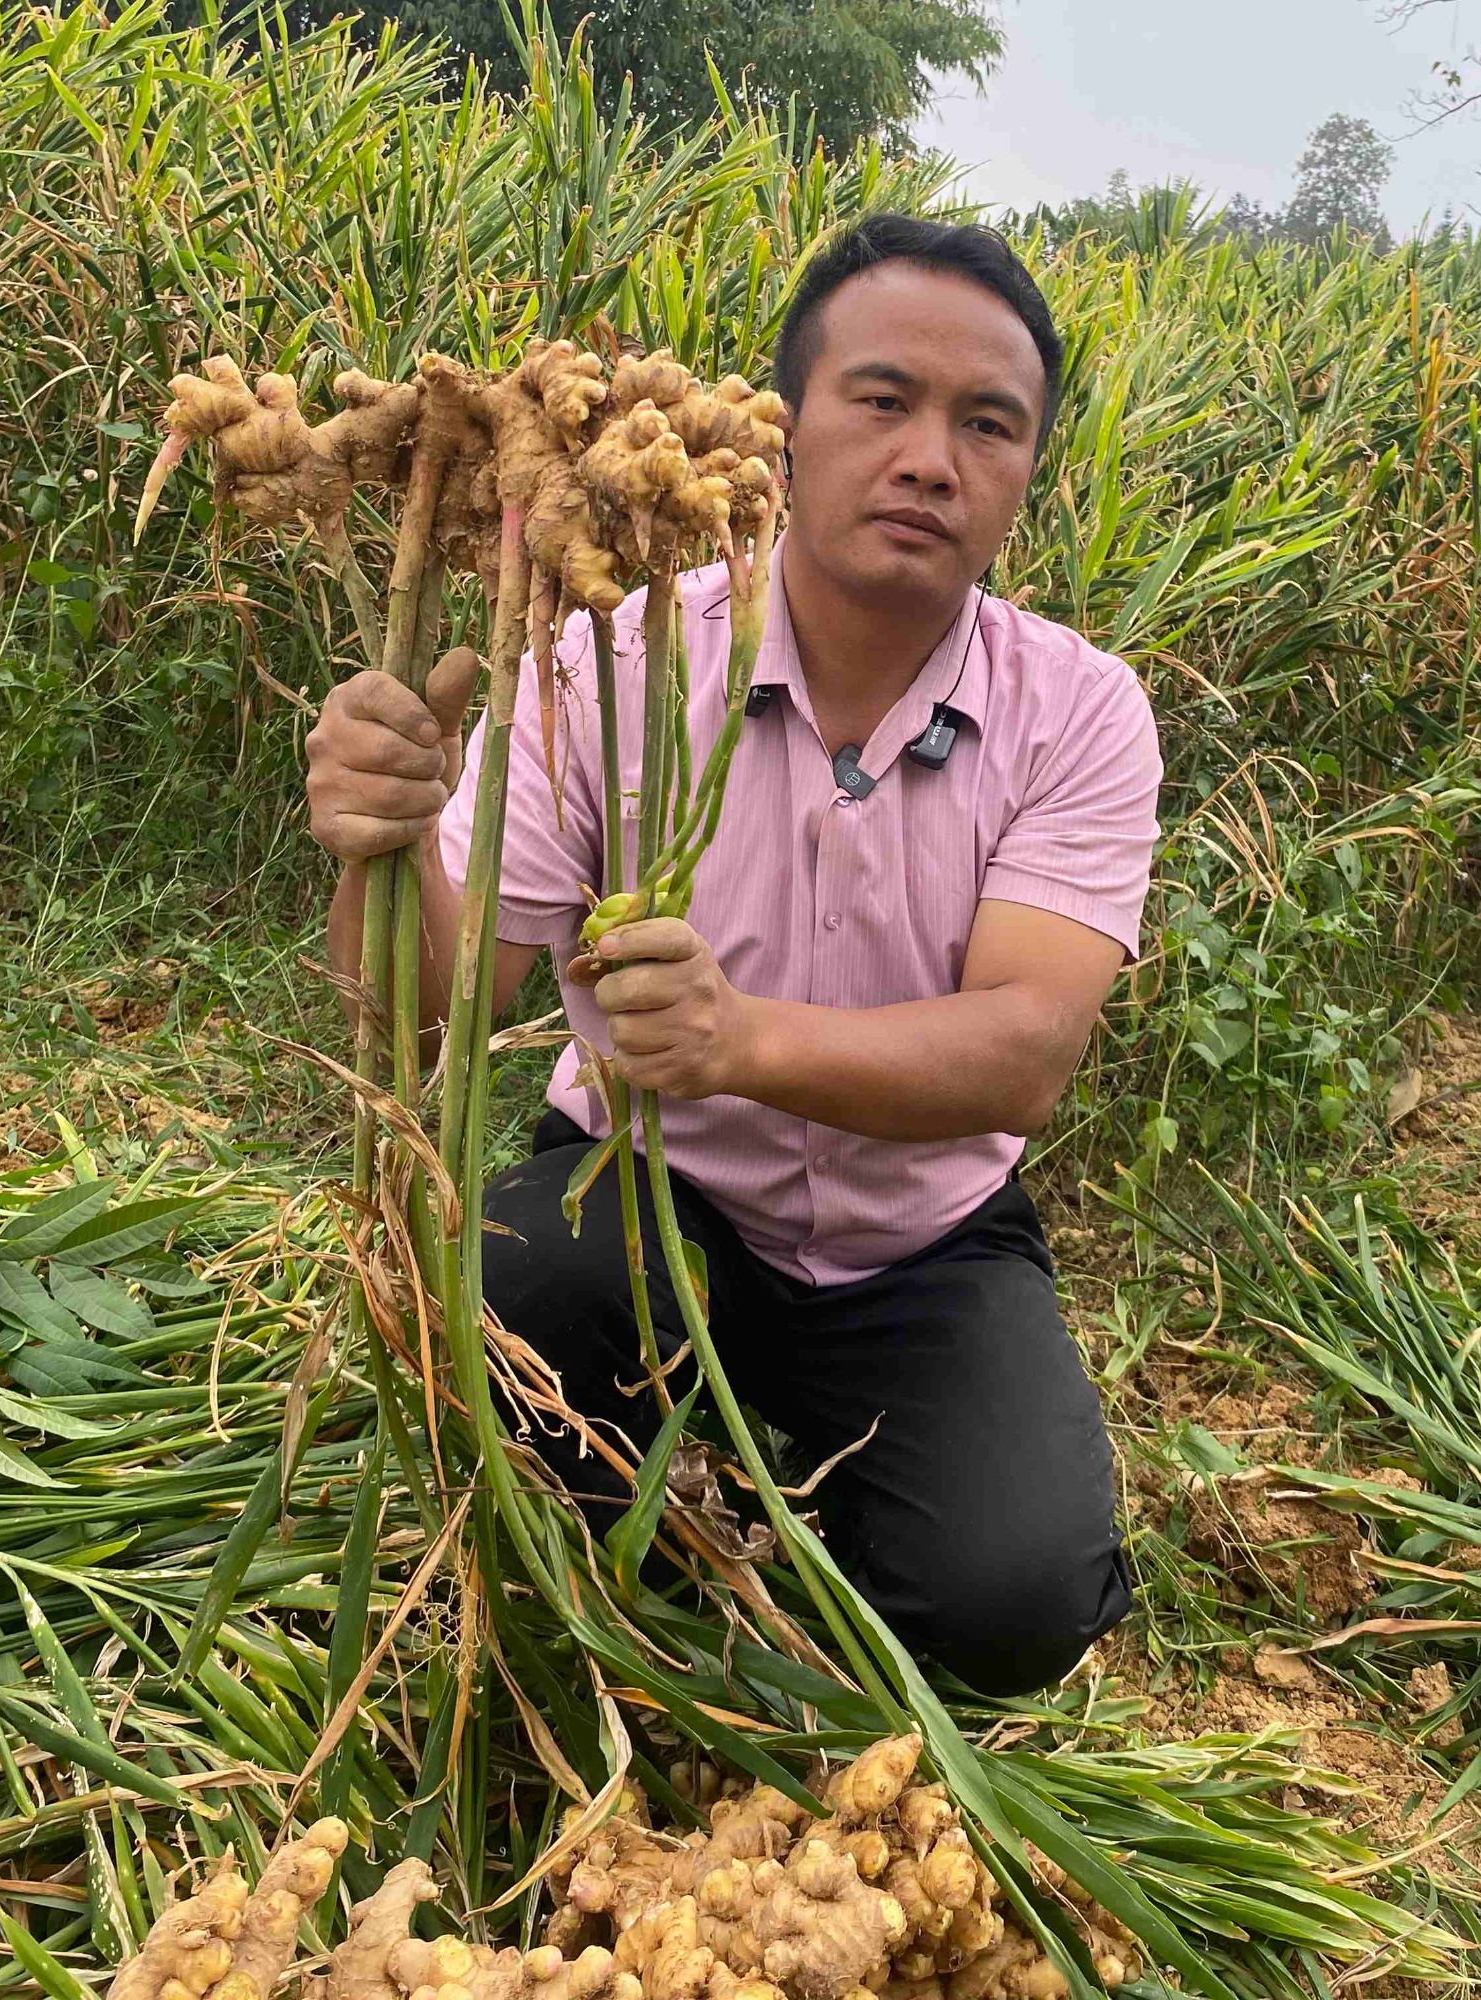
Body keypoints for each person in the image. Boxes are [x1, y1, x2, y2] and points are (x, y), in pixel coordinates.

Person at [304, 215, 1162, 1696]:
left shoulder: (1078, 712)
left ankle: (812, 1478)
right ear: (784, 432)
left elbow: (1024, 1050)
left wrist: (739, 1041)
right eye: (881, 401)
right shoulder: (607, 659)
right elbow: (430, 1014)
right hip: (643, 1193)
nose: (930, 458)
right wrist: (377, 842)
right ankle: (619, 1488)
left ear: (1025, 473)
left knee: (1012, 1602)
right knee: (499, 1337)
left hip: (917, 1244)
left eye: (988, 425)